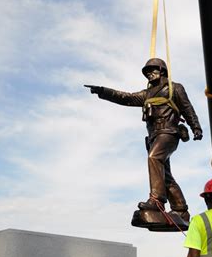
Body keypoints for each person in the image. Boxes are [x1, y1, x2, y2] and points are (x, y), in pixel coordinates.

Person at [87, 58, 202, 220]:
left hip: (168, 133)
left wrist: (195, 126)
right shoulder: (147, 94)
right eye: (146, 72)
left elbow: (187, 108)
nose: (148, 74)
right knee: (164, 174)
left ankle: (157, 201)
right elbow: (126, 97)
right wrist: (103, 91)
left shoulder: (175, 88)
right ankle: (180, 208)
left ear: (162, 70)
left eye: (152, 70)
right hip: (154, 136)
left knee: (154, 158)